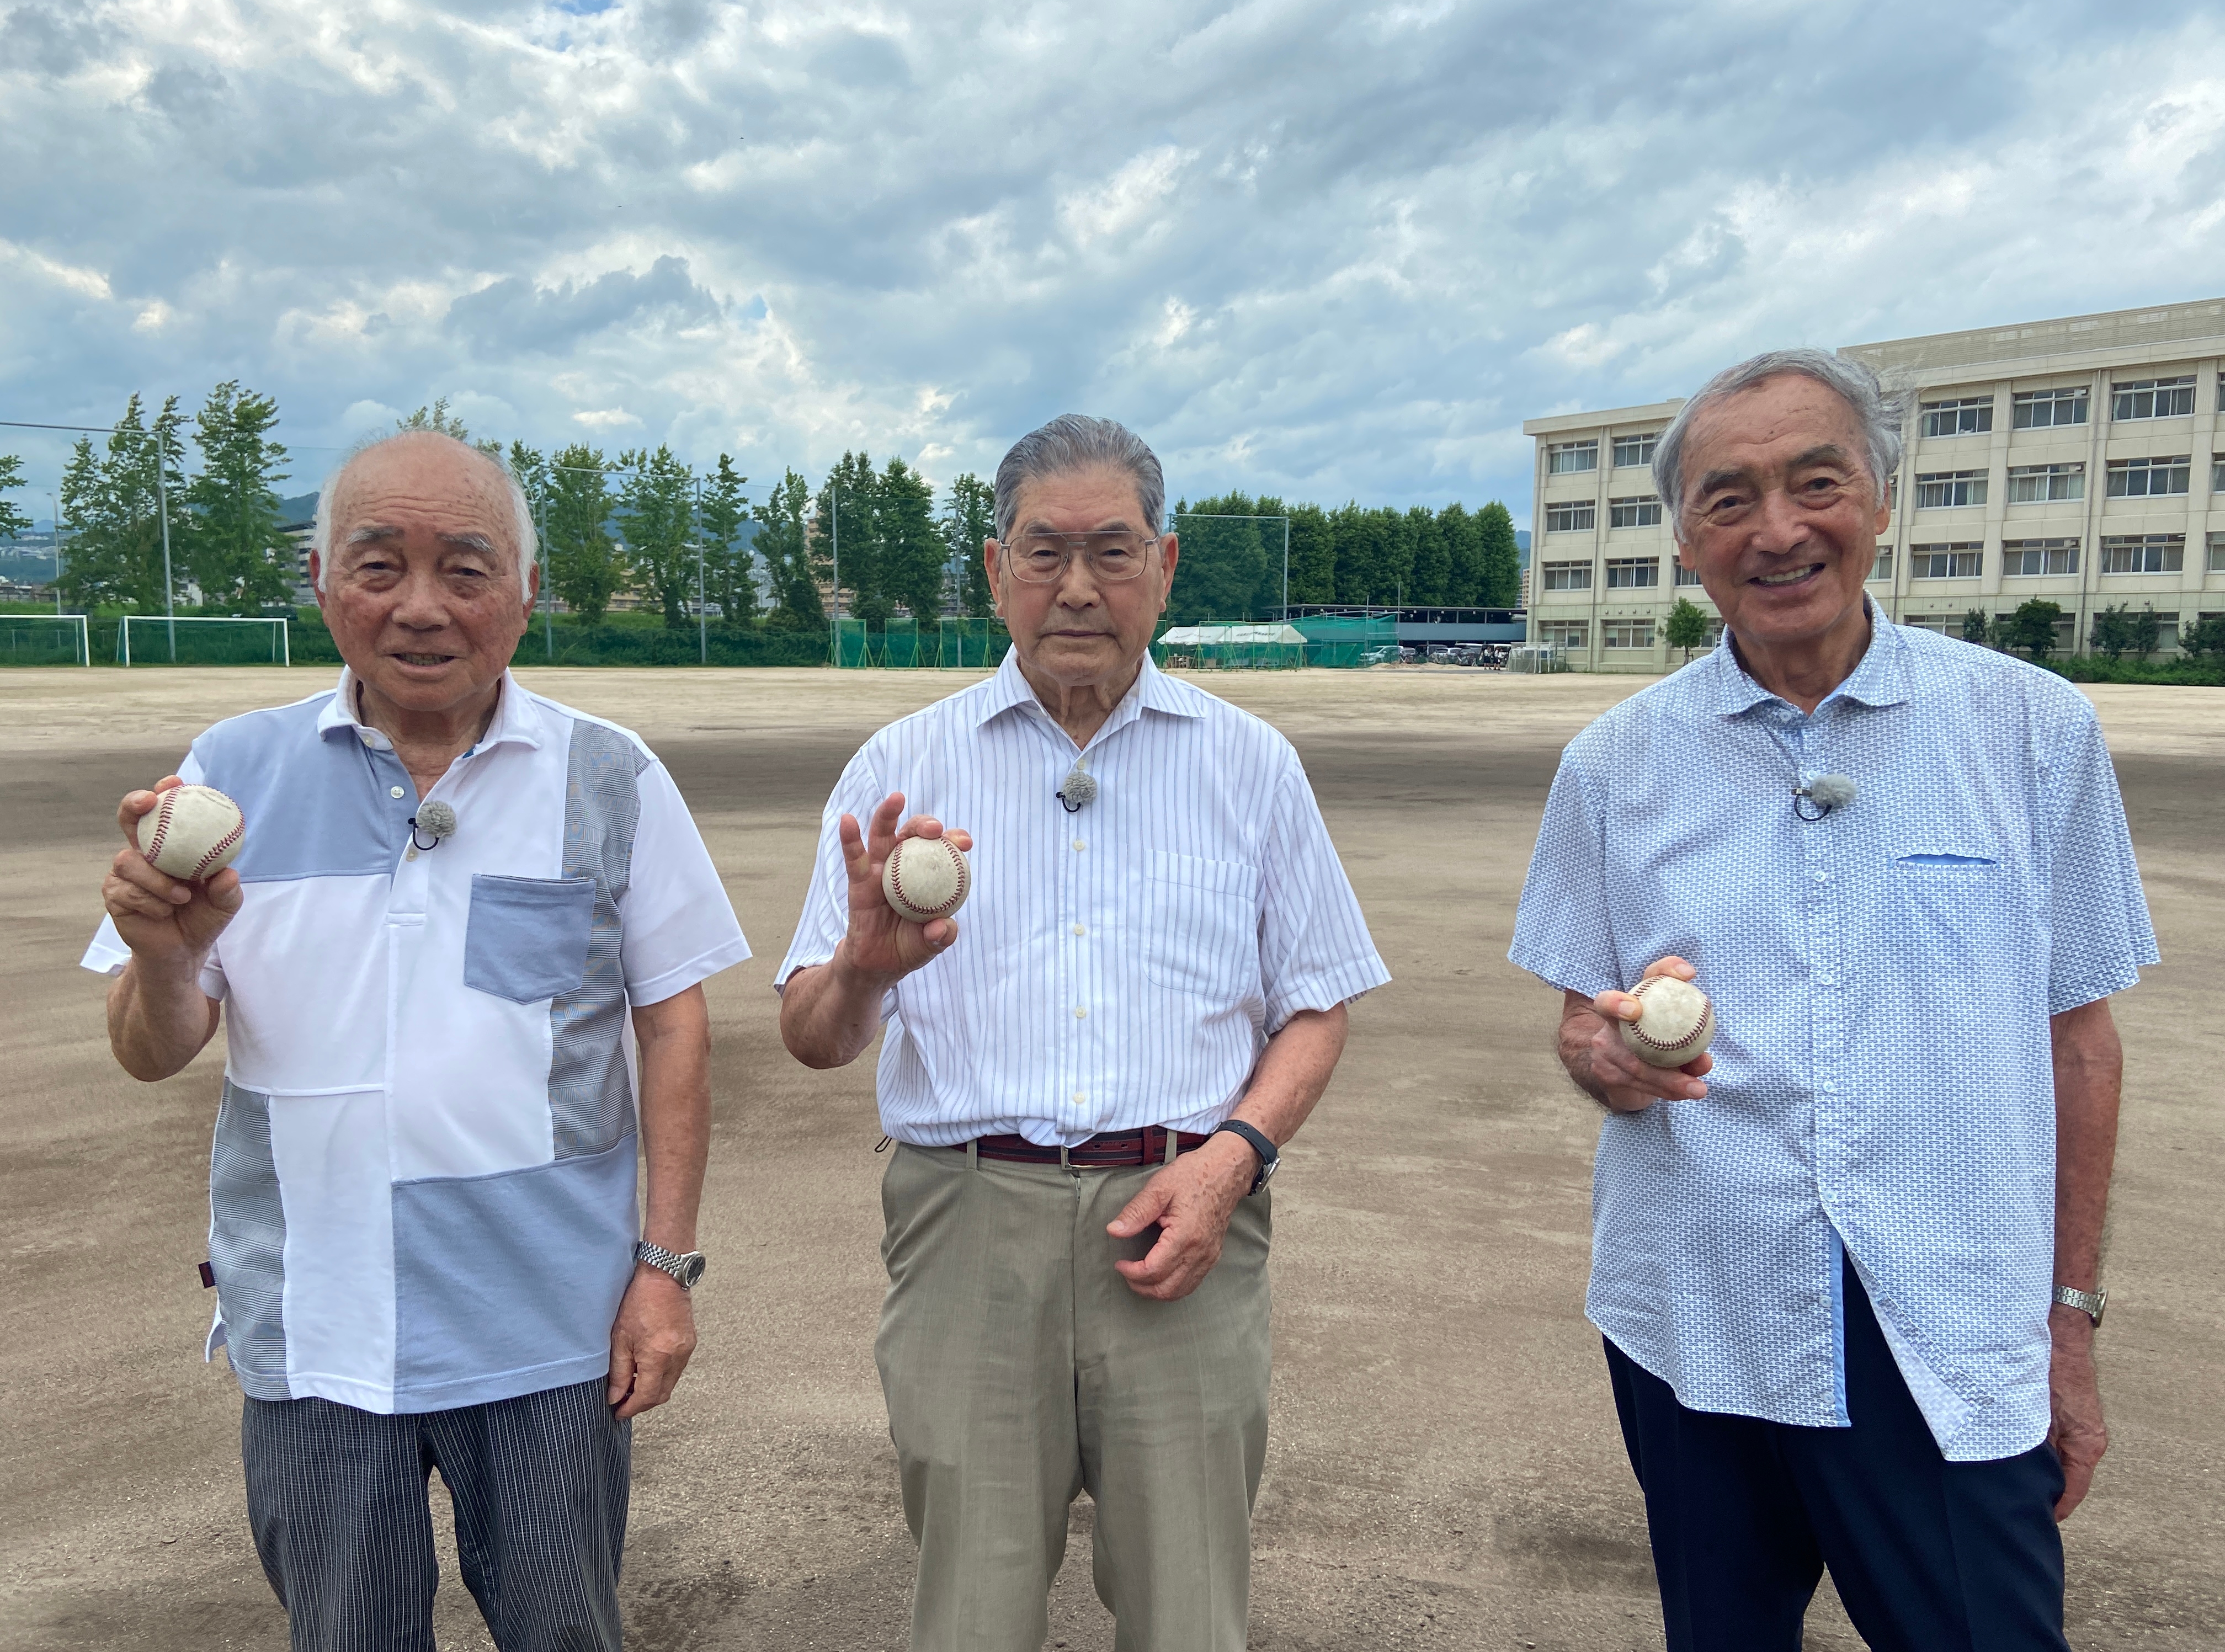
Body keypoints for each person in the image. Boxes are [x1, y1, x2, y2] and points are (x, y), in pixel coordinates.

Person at [1508, 349, 2158, 1651]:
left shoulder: (2030, 731)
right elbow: (1584, 1023)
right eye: (1729, 498)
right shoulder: (1614, 765)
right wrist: (1609, 1056)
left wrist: (2069, 1322)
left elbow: (2080, 1046)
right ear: (1685, 539)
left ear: (1882, 497)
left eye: (1817, 483)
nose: (1778, 529)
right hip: (1700, 1310)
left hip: (1948, 1319)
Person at [84, 430, 750, 1652]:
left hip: (550, 1331)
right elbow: (150, 1046)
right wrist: (167, 956)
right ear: (322, 581)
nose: (423, 606)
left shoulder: (608, 775)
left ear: (527, 592)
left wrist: (664, 1267)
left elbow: (672, 1020)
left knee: (565, 1632)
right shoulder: (228, 778)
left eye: (467, 568)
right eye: (380, 565)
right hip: (316, 1326)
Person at [778, 414, 1390, 1651]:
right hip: (965, 1227)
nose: (1076, 587)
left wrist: (1230, 1163)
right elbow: (813, 1034)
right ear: (995, 567)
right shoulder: (902, 764)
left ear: (1164, 566)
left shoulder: (1251, 765)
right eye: (1044, 552)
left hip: (1184, 1221)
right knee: (971, 1614)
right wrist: (860, 969)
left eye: (1112, 551)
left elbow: (1318, 1005)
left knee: (1188, 1615)